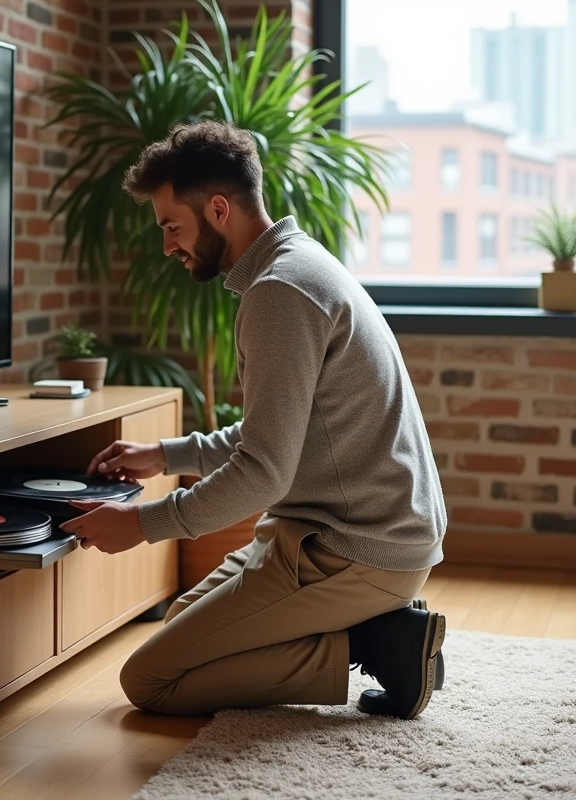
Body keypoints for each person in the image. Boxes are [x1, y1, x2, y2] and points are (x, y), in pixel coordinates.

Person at [58, 120, 447, 720]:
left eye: (171, 226)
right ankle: (374, 632)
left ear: (218, 209)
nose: (166, 246)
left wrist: (140, 524)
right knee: (182, 623)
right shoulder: (296, 265)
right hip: (338, 534)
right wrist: (166, 456)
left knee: (151, 679)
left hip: (358, 550)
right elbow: (280, 433)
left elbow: (264, 472)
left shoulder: (280, 293)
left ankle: (378, 642)